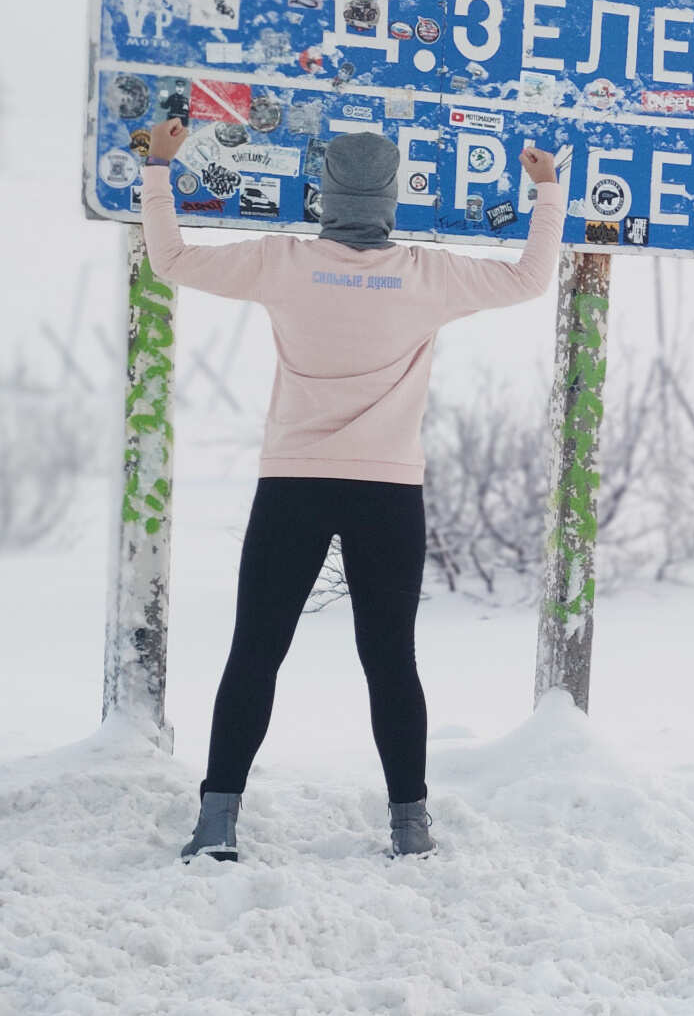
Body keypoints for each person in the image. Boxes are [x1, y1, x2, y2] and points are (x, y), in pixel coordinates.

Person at [140, 118, 568, 862]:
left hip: (293, 486)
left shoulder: (283, 263)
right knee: (390, 659)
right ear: (390, 203)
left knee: (255, 653)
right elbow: (532, 279)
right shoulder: (428, 276)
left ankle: (218, 823)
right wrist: (547, 189)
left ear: (324, 197)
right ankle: (409, 826)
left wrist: (157, 165)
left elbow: (170, 258)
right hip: (388, 493)